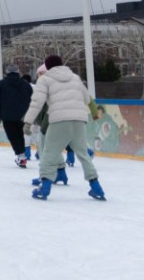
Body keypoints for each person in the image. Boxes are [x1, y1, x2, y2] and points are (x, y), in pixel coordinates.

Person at [24, 55, 104, 201]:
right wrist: (94, 113)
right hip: (79, 120)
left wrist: (28, 122)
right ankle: (96, 187)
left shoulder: (45, 79)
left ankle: (45, 187)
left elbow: (37, 102)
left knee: (49, 153)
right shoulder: (75, 78)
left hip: (59, 120)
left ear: (47, 67)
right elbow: (87, 98)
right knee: (83, 154)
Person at [0, 63, 33, 168]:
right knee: (20, 135)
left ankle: (21, 155)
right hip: (22, 115)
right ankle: (22, 154)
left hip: (7, 116)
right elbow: (31, 99)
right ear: (17, 72)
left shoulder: (1, 84)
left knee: (13, 136)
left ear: (7, 73)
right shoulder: (25, 84)